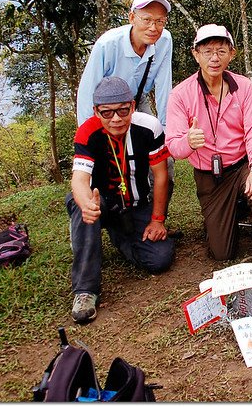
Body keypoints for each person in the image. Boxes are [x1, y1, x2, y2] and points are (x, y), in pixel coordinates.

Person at [165, 24, 252, 268]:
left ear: (232, 53)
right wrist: (188, 142)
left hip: (240, 166)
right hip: (208, 175)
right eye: (207, 51)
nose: (214, 58)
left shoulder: (243, 86)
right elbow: (174, 147)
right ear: (195, 54)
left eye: (221, 50)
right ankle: (228, 217)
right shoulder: (181, 94)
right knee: (222, 253)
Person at [66, 77, 175, 323]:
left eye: (123, 111)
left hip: (137, 203)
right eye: (107, 113)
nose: (116, 118)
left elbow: (161, 175)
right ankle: (85, 290)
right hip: (102, 201)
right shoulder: (87, 132)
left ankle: (119, 234)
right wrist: (86, 203)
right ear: (96, 111)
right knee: (80, 205)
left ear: (133, 106)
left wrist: (157, 220)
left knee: (159, 259)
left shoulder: (149, 127)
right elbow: (79, 179)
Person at [76, 0, 176, 200]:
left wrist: (166, 131)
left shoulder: (165, 40)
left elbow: (164, 84)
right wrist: (90, 136)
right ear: (132, 17)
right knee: (111, 160)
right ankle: (110, 210)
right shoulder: (108, 44)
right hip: (107, 109)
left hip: (138, 101)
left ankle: (156, 220)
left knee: (162, 161)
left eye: (160, 21)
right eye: (146, 19)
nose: (153, 27)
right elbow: (87, 92)